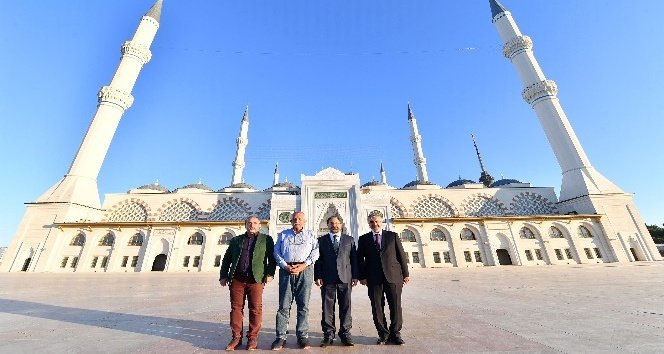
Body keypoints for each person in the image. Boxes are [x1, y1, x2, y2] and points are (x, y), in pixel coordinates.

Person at [219, 215, 276, 351]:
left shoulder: (266, 240)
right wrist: (223, 276)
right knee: (236, 309)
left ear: (259, 225)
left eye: (255, 223)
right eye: (249, 223)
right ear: (245, 225)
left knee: (255, 308)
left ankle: (252, 338)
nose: (252, 225)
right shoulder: (236, 240)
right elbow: (227, 259)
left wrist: (270, 273)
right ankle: (236, 338)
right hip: (237, 279)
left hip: (255, 280)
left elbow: (272, 259)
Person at [357, 213, 410, 345]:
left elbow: (401, 255)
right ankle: (383, 334)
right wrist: (362, 276)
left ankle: (395, 334)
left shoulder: (392, 236)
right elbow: (359, 259)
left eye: (377, 221)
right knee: (377, 307)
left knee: (395, 306)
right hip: (373, 278)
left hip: (393, 276)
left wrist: (406, 273)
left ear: (382, 222)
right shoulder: (363, 239)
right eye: (371, 222)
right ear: (368, 224)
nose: (375, 224)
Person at [271, 211, 320, 350]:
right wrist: (285, 266)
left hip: (305, 270)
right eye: (294, 219)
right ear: (291, 221)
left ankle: (302, 337)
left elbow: (315, 252)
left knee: (303, 305)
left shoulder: (310, 235)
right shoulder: (283, 234)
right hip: (286, 270)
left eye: (299, 219)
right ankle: (280, 337)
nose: (296, 221)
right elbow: (276, 252)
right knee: (284, 305)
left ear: (304, 221)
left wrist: (304, 265)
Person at [314, 215, 358, 347]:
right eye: (332, 223)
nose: (335, 225)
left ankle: (345, 334)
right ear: (327, 225)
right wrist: (318, 276)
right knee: (327, 308)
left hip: (345, 278)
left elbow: (354, 259)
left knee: (345, 307)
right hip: (328, 279)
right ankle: (328, 335)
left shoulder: (349, 240)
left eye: (337, 223)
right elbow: (318, 261)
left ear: (341, 224)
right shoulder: (321, 240)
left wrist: (355, 276)